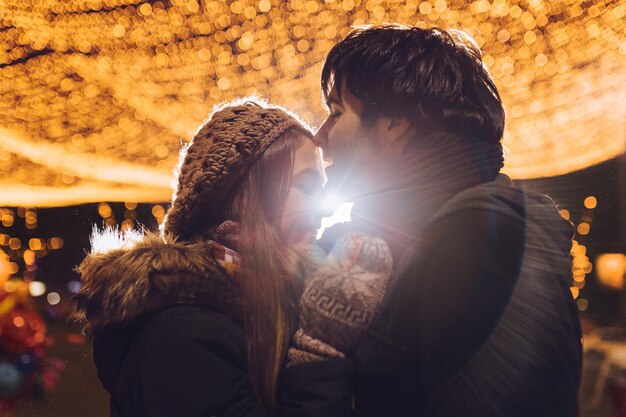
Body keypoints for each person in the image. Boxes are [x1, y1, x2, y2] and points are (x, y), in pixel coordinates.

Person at [312, 24, 582, 417]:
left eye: (336, 112)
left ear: (395, 122)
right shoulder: (394, 241)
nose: (319, 136)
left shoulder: (481, 240)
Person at [73, 99, 361, 417]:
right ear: (247, 196)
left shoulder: (273, 301)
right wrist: (319, 351)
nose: (327, 207)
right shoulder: (183, 334)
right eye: (307, 185)